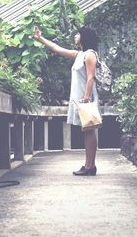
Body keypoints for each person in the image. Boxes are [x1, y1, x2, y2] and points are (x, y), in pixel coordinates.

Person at [33, 26, 100, 176]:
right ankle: (88, 164)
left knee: (90, 130)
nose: (75, 36)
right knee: (87, 130)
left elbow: (91, 77)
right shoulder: (80, 54)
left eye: (78, 34)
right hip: (81, 97)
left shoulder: (89, 55)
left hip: (86, 97)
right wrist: (41, 38)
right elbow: (57, 49)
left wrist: (86, 97)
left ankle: (90, 166)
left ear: (84, 37)